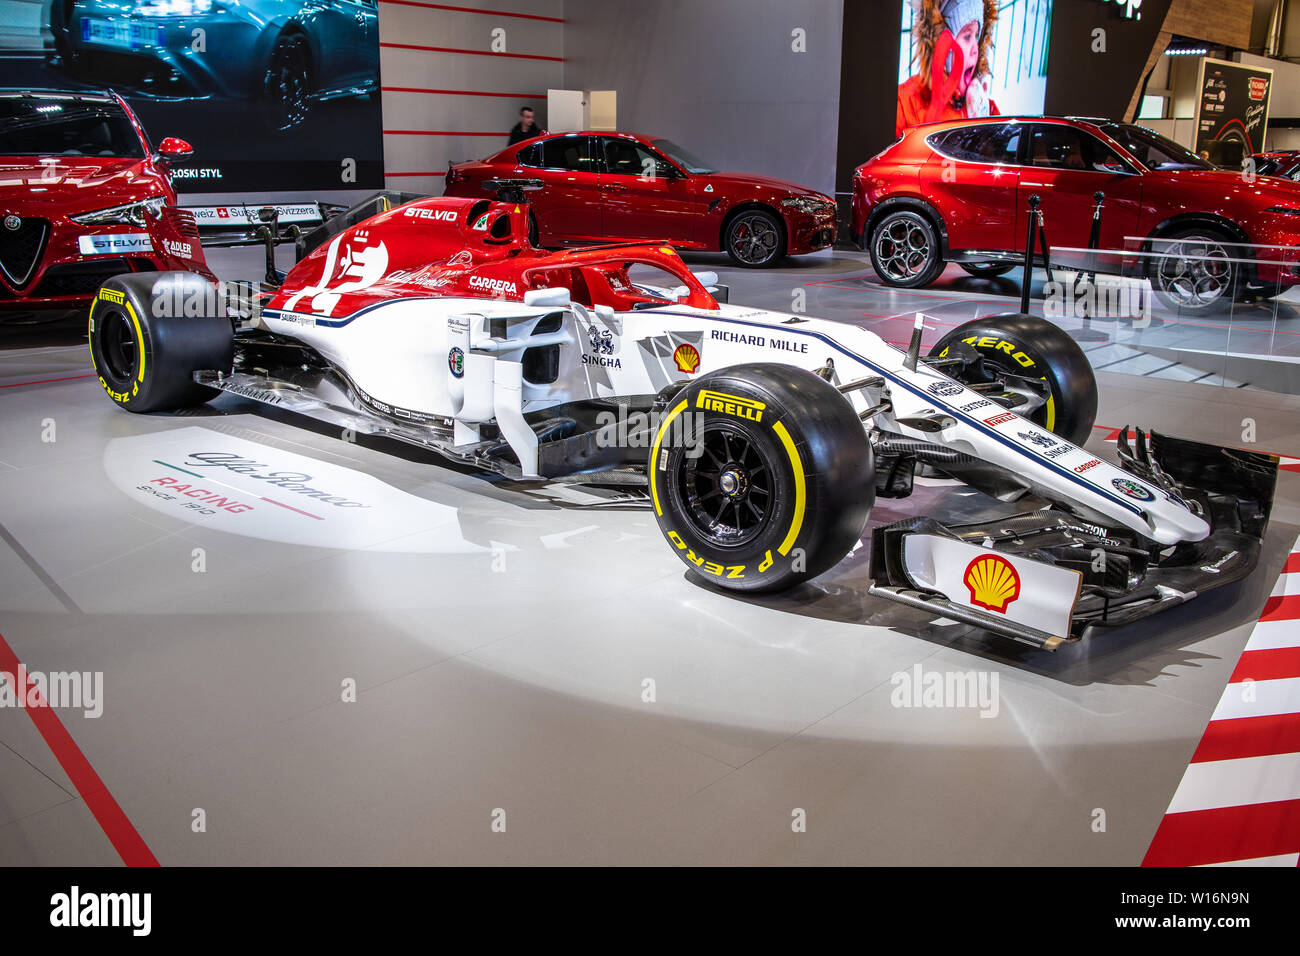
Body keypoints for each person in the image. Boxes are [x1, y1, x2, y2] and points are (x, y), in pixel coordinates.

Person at [897, 0, 998, 137]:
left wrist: (985, 133)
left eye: (977, 36)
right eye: (967, 36)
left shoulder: (986, 110)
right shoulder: (906, 103)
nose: (976, 49)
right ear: (941, 42)